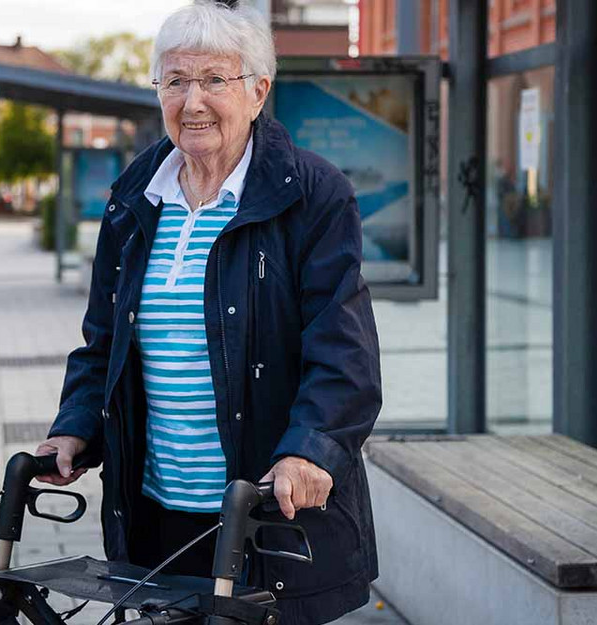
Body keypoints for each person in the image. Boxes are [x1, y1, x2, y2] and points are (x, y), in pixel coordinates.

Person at [36, 2, 382, 622]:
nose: (192, 101)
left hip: (265, 512)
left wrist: (310, 450)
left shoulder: (312, 195)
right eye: (175, 81)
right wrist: (75, 425)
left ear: (257, 91)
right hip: (155, 509)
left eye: (214, 81)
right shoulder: (135, 198)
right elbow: (103, 339)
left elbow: (344, 353)